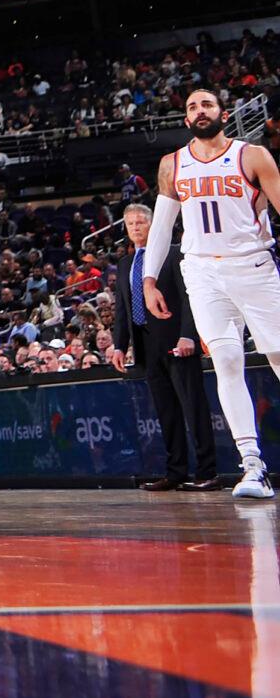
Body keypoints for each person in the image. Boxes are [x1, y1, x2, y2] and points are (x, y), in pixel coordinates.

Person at [142, 87, 280, 499]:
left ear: (223, 112)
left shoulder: (253, 156)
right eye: (192, 107)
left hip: (253, 265)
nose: (200, 111)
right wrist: (149, 280)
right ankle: (252, 466)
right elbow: (162, 227)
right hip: (202, 271)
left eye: (207, 104)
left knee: (277, 358)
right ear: (186, 119)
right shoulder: (172, 164)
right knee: (226, 361)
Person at [110, 199, 214, 491]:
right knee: (166, 412)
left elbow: (190, 298)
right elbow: (122, 310)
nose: (135, 228)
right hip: (146, 345)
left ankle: (207, 472)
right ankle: (175, 471)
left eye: (140, 222)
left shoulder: (174, 253)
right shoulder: (125, 264)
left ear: (153, 224)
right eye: (130, 224)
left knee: (193, 407)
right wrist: (119, 346)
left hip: (177, 341)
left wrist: (188, 335)